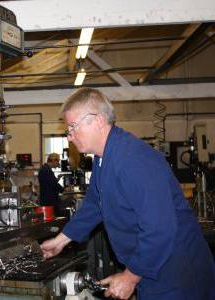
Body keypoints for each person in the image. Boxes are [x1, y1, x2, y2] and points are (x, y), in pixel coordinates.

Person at [40, 88, 215, 299]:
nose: (69, 136)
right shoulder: (102, 158)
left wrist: (130, 277)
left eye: (72, 127)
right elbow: (95, 204)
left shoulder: (135, 160)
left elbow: (160, 228)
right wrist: (59, 241)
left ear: (97, 120)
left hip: (177, 271)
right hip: (152, 266)